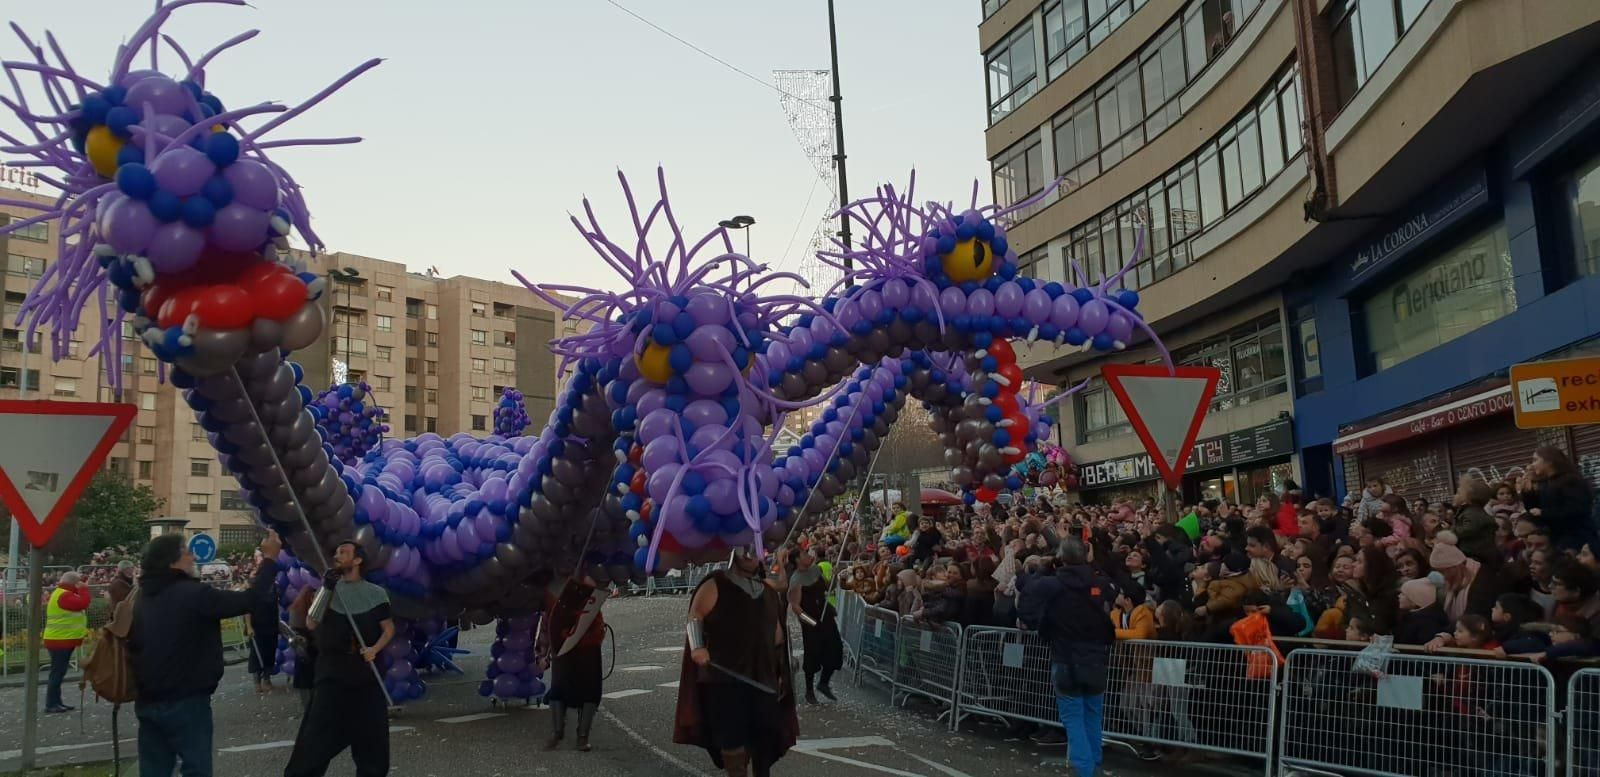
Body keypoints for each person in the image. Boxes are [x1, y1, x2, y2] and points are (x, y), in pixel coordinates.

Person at [131, 530, 282, 777]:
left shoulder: (142, 597)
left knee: (153, 770)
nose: (193, 558)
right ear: (173, 562)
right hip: (186, 699)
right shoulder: (194, 595)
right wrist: (269, 560)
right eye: (187, 553)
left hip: (148, 699)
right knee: (197, 768)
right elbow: (250, 599)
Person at [674, 547, 798, 777]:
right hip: (726, 680)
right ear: (734, 552)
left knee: (764, 740)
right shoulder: (716, 583)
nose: (750, 556)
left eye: (755, 550)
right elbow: (695, 615)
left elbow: (777, 636)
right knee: (732, 741)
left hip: (763, 678)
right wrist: (698, 646)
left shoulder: (766, 591)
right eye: (745, 549)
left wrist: (782, 669)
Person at [284, 541, 396, 777]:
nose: (337, 555)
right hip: (332, 675)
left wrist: (375, 649)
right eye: (336, 552)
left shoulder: (376, 594)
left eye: (343, 552)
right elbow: (311, 623)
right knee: (315, 738)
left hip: (366, 677)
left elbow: (388, 629)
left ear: (357, 560)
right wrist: (326, 588)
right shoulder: (326, 591)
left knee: (372, 742)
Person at [1018, 537, 1114, 777]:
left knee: (1073, 720)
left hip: (1065, 658)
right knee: (1093, 715)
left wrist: (1042, 568)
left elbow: (1026, 588)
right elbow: (1113, 590)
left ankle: (1085, 770)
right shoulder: (1099, 583)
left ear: (1061, 558)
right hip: (1095, 657)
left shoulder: (1054, 584)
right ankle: (1095, 765)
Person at [543, 576, 606, 752]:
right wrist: (542, 653)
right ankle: (558, 732)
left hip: (588, 645)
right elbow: (549, 622)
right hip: (564, 646)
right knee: (559, 689)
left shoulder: (589, 579)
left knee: (589, 690)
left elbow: (594, 607)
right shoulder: (555, 586)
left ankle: (582, 736)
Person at [788, 547, 842, 704]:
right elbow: (796, 607)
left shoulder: (816, 570)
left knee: (835, 648)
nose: (808, 556)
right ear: (797, 559)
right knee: (812, 654)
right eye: (804, 554)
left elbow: (829, 588)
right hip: (810, 620)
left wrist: (835, 575)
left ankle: (823, 683)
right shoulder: (796, 579)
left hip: (826, 615)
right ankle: (809, 691)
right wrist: (811, 623)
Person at [1519, 445, 1597, 552]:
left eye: (1536, 460)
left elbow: (1578, 509)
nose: (1532, 465)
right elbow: (1533, 510)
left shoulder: (1570, 481)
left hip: (1576, 539)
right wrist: (1528, 492)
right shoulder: (1546, 483)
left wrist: (1544, 512)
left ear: (1549, 461)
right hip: (1557, 539)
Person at [42, 571, 91, 714]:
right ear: (73, 583)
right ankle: (51, 704)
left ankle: (56, 702)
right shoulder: (64, 595)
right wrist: (84, 589)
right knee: (57, 673)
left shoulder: (61, 593)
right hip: (60, 640)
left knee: (58, 672)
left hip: (61, 639)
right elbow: (83, 603)